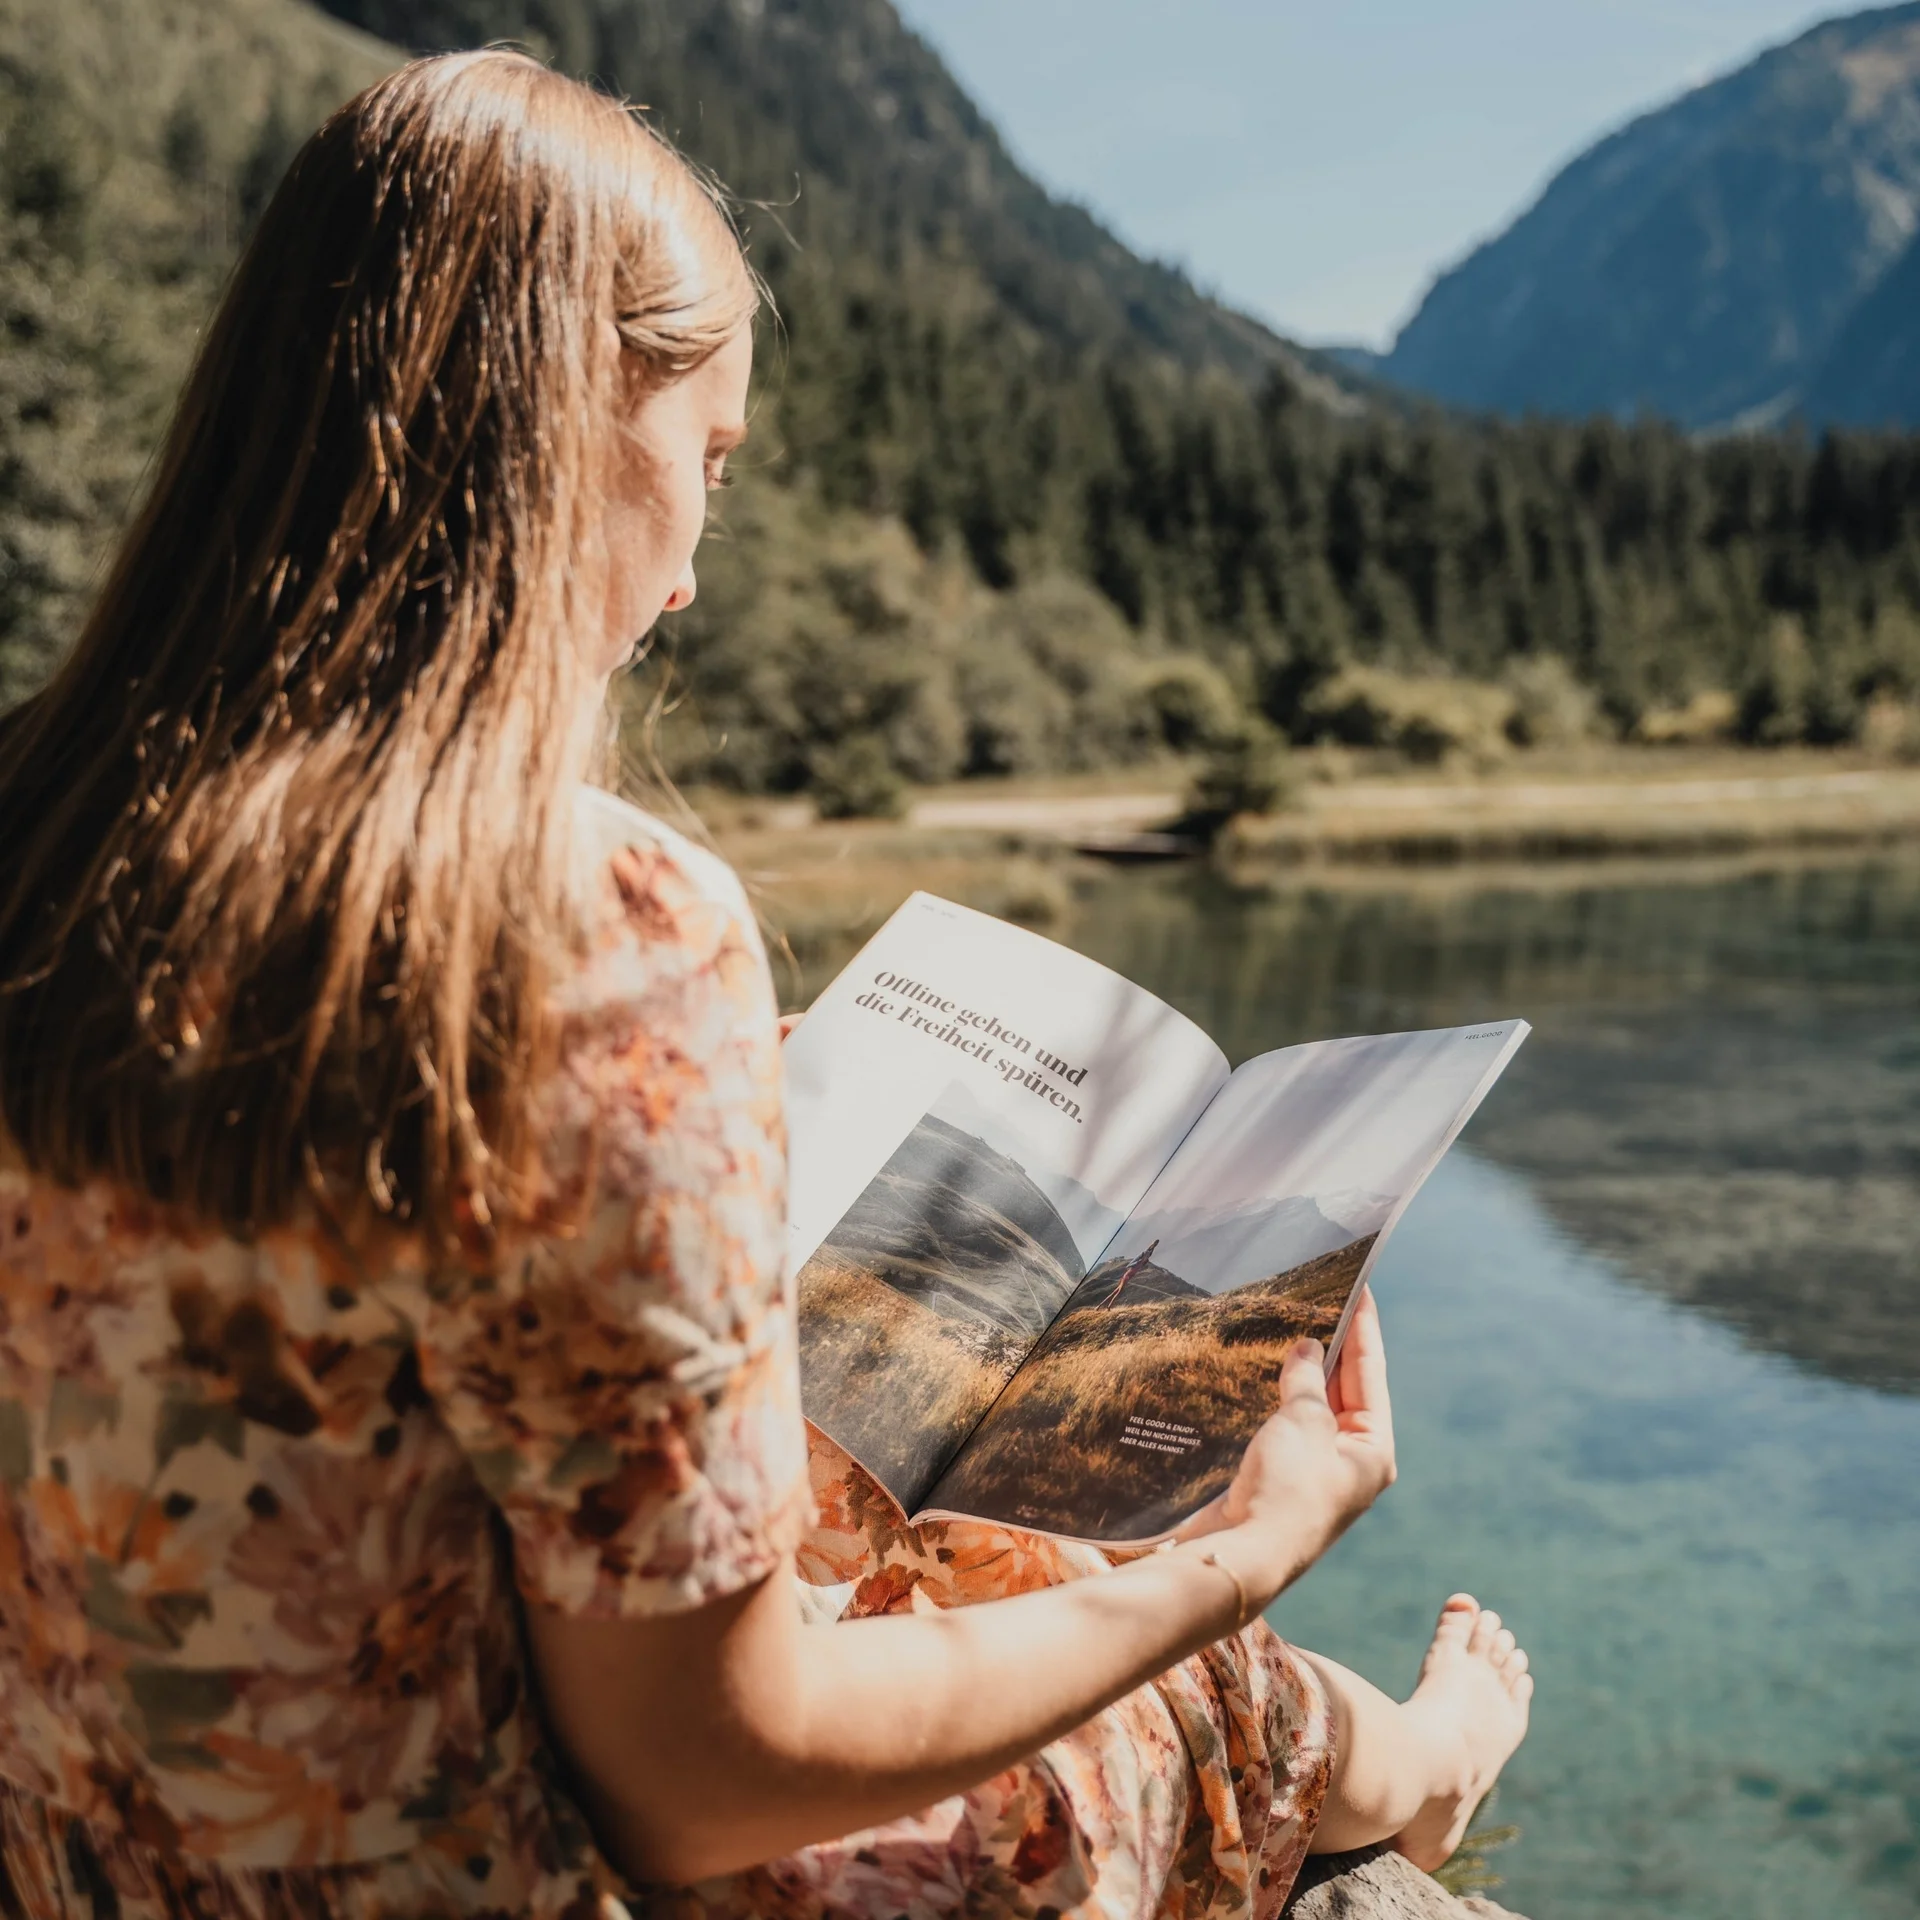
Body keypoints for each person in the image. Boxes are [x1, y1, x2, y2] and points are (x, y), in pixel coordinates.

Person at [0, 52, 1532, 1919]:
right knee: (1168, 1674)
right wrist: (1247, 1548)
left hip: (99, 1851)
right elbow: (710, 1778)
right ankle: (1425, 1775)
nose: (689, 582)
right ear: (559, 422)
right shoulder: (597, 924)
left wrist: (709, 1142)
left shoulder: (52, 827)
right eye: (705, 462)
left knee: (889, 1528)